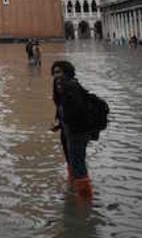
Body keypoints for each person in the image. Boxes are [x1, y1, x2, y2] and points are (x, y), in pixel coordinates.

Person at [51, 60, 98, 199]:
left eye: (59, 72)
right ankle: (73, 188)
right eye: (54, 73)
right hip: (67, 130)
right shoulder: (60, 87)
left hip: (78, 131)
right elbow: (63, 108)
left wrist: (66, 122)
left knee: (78, 164)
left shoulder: (72, 87)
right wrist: (59, 123)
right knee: (72, 160)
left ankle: (85, 202)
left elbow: (77, 110)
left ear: (67, 72)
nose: (56, 76)